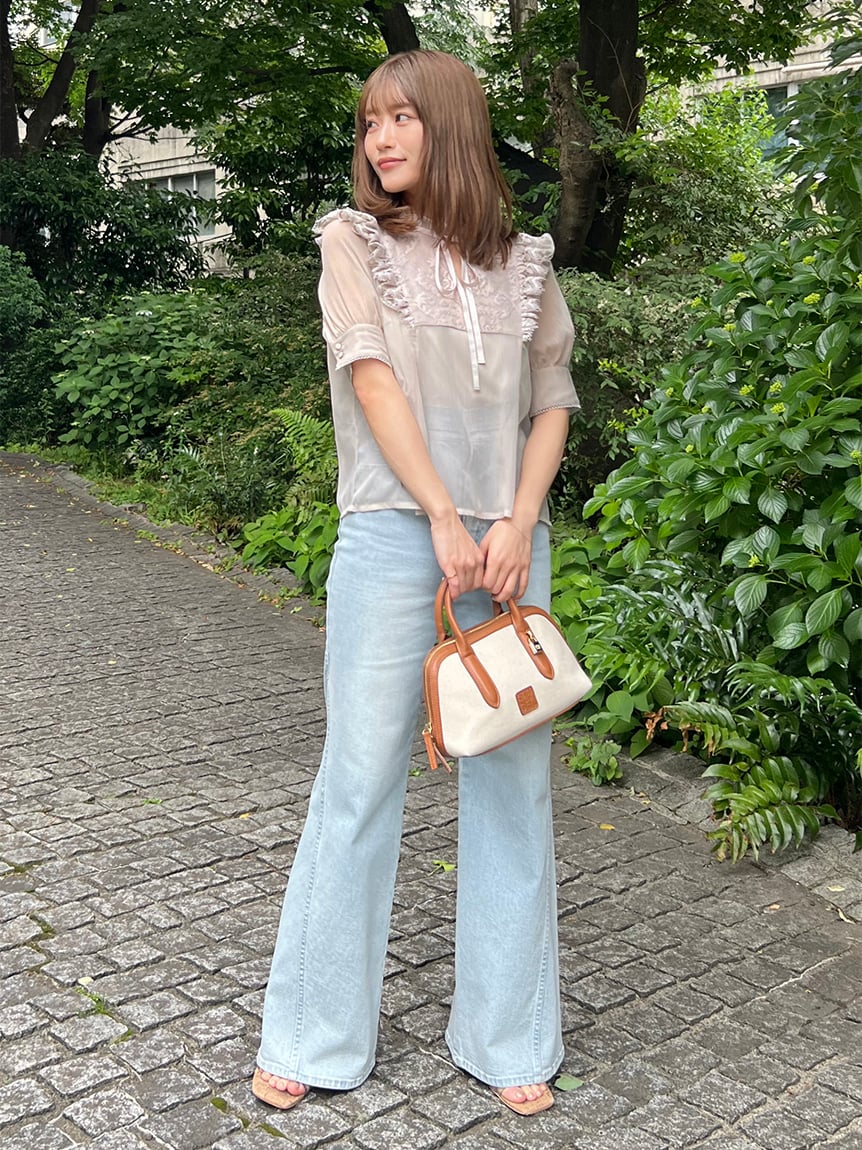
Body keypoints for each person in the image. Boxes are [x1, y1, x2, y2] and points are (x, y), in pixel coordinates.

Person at [253, 48, 580, 1119]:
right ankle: (312, 1033)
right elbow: (372, 380)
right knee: (358, 780)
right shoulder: (352, 243)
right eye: (368, 122)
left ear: (452, 123)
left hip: (511, 546)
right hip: (399, 536)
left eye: (400, 117)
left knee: (514, 786)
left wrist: (516, 522)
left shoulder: (526, 262)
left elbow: (550, 402)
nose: (379, 138)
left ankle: (509, 1035)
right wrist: (443, 512)